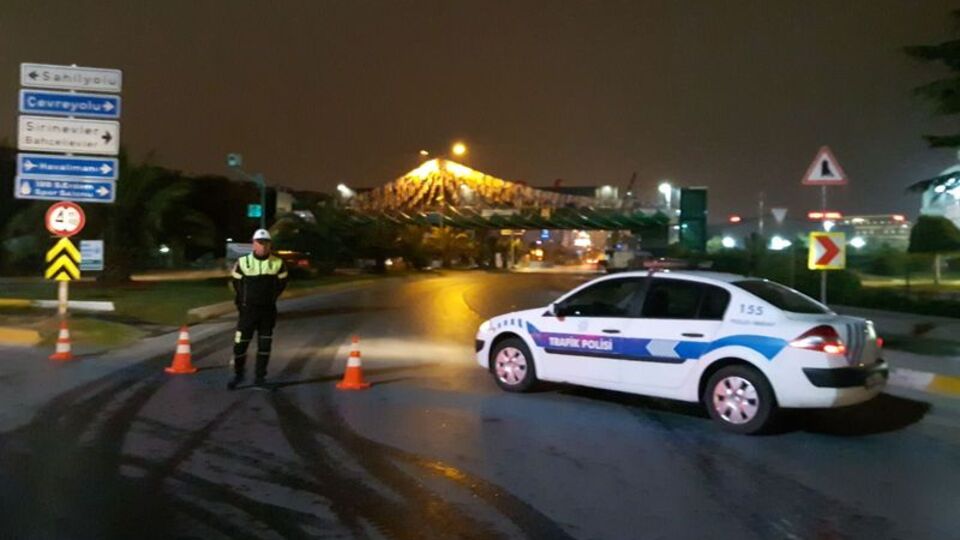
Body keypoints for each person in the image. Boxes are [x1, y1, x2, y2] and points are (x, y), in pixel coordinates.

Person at [228, 229, 288, 389]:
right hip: (248, 312)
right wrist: (242, 303)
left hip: (267, 311)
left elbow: (282, 283)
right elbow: (236, 284)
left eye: (266, 243)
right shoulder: (243, 262)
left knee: (264, 346)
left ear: (270, 245)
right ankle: (238, 374)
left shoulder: (278, 263)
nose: (263, 246)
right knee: (240, 346)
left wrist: (271, 298)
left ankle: (260, 378)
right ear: (253, 244)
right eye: (259, 243)